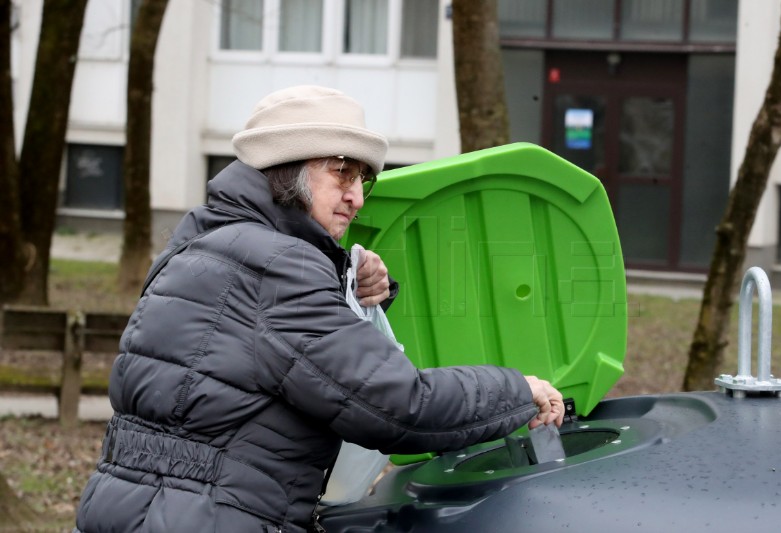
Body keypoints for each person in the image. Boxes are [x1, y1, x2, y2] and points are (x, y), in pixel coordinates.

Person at [74, 85, 564, 533]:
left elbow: (256, 358)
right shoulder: (279, 266)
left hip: (128, 509)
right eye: (342, 173)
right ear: (288, 171)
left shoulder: (198, 246)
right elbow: (397, 407)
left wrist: (350, 284)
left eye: (363, 180)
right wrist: (518, 389)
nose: (356, 198)